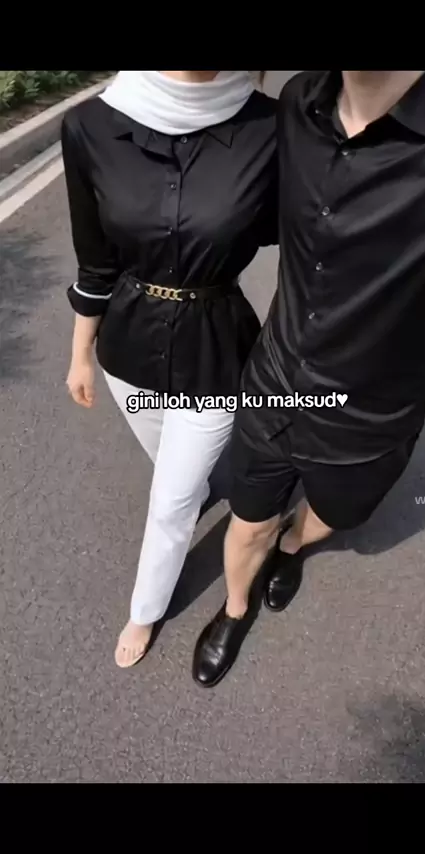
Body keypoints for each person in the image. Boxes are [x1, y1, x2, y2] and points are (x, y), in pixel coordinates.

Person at [193, 69, 425, 688]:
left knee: (332, 514)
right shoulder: (299, 99)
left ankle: (293, 548)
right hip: (273, 384)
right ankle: (235, 608)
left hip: (366, 425)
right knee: (248, 519)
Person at [62, 70, 277, 668]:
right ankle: (201, 486)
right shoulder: (89, 126)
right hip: (128, 348)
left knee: (171, 500)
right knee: (169, 463)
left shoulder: (270, 127)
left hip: (216, 349)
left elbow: (314, 231)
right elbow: (95, 263)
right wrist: (80, 354)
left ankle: (146, 608)